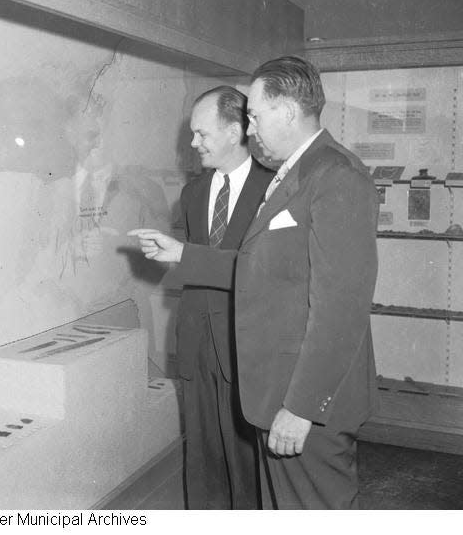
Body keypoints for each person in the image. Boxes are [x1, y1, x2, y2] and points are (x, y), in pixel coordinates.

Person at [129, 56, 379, 509]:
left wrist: (301, 407)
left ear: (286, 112)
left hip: (307, 400)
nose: (250, 126)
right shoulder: (299, 174)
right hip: (281, 389)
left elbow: (340, 310)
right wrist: (185, 254)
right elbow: (262, 274)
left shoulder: (335, 176)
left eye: (255, 114)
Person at [170, 86, 274, 509]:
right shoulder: (193, 194)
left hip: (246, 347)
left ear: (234, 132)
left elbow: (267, 274)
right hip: (198, 345)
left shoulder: (274, 190)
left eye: (201, 134)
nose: (193, 144)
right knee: (203, 459)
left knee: (247, 463)